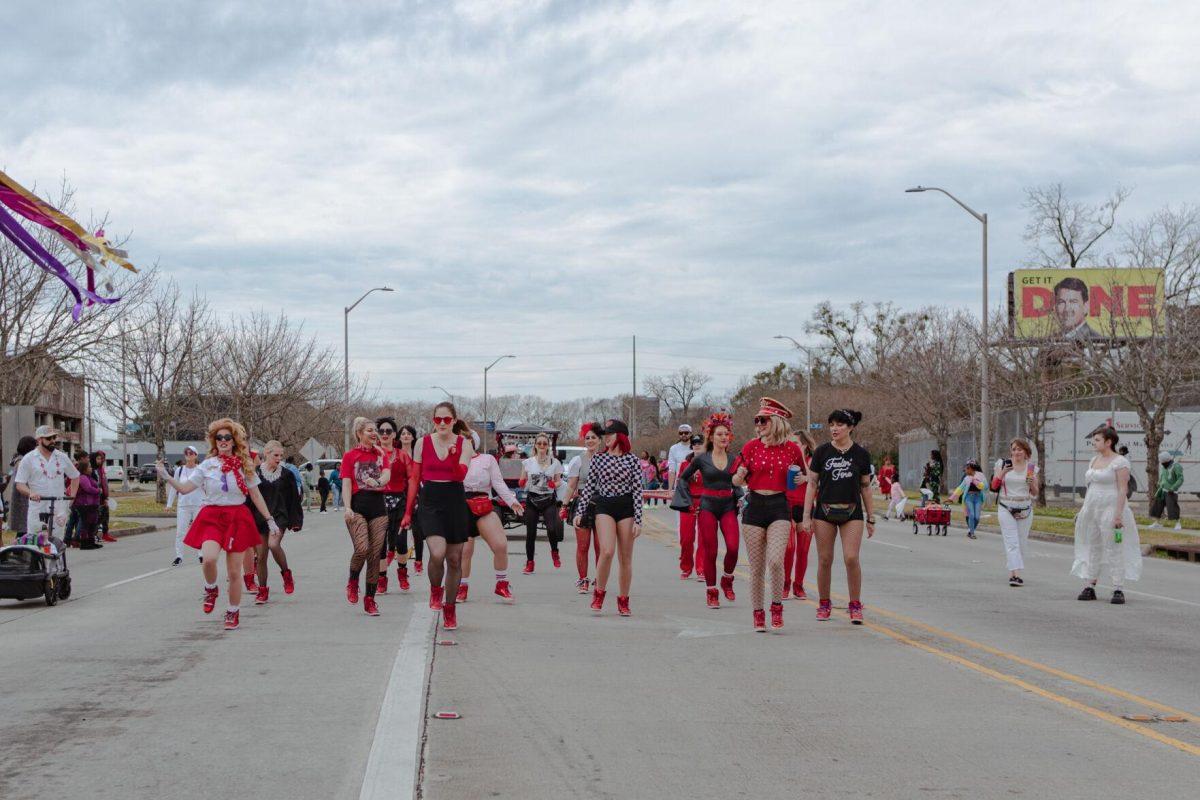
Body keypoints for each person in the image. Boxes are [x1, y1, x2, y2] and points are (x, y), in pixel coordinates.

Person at [156, 419, 279, 631]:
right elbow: (185, 489)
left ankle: (233, 611)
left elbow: (255, 494)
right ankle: (211, 588)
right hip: (212, 514)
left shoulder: (244, 465)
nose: (223, 441)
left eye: (227, 437)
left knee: (233, 573)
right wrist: (167, 477)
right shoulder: (207, 464)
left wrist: (270, 519)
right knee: (209, 559)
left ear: (234, 441)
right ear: (214, 441)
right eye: (219, 438)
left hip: (237, 516)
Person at [734, 399, 807, 631]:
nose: (759, 424)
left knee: (776, 561)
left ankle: (776, 606)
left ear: (776, 421)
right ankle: (758, 613)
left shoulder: (793, 449)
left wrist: (801, 480)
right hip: (754, 505)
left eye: (763, 420)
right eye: (757, 420)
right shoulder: (751, 447)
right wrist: (739, 475)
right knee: (756, 567)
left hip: (779, 506)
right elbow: (735, 479)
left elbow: (805, 477)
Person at [404, 402, 474, 631]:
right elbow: (414, 478)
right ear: (433, 421)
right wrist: (407, 511)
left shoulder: (465, 444)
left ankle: (450, 608)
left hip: (454, 499)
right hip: (430, 500)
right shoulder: (422, 443)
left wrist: (453, 456)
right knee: (437, 552)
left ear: (454, 420)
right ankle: (436, 589)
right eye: (437, 420)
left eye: (446, 419)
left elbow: (460, 474)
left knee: (454, 559)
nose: (442, 423)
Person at [802, 408, 874, 625]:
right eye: (832, 424)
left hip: (851, 511)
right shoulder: (822, 452)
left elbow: (866, 487)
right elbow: (812, 484)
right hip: (824, 511)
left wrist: (871, 517)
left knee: (851, 558)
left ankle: (855, 605)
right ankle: (824, 603)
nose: (834, 429)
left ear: (850, 427)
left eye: (840, 425)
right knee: (825, 559)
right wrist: (806, 516)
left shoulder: (861, 454)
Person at [574, 418, 642, 616]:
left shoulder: (632, 460)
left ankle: (623, 599)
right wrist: (580, 511)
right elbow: (589, 487)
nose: (606, 439)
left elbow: (638, 490)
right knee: (606, 551)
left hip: (626, 507)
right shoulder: (599, 458)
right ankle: (599, 592)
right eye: (605, 436)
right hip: (604, 505)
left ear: (620, 436)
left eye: (609, 435)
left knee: (625, 558)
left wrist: (638, 519)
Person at [1072, 426, 1142, 604]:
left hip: (1110, 507)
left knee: (1113, 547)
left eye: (1097, 440)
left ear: (1108, 442)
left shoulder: (1120, 462)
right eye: (1093, 440)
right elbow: (1090, 487)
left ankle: (1118, 588)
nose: (1093, 443)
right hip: (1092, 506)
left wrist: (1118, 515)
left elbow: (1122, 489)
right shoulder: (1094, 460)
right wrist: (1083, 511)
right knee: (1093, 545)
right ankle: (1090, 584)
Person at [682, 413, 743, 609]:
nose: (724, 437)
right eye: (719, 434)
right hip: (707, 505)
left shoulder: (734, 458)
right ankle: (712, 591)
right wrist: (687, 500)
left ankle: (727, 578)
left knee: (733, 547)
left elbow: (738, 482)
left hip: (727, 506)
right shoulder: (701, 459)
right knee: (711, 551)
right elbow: (683, 478)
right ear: (711, 436)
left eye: (727, 434)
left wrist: (741, 495)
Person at [460, 425, 524, 602]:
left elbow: (498, 483)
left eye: (467, 439)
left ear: (473, 441)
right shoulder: (453, 460)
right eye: (459, 439)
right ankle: (461, 587)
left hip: (483, 504)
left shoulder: (487, 459)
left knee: (500, 545)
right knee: (465, 551)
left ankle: (501, 584)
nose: (463, 442)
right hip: (461, 505)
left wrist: (512, 502)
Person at [340, 417, 394, 617]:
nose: (374, 433)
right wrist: (347, 507)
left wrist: (378, 481)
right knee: (362, 548)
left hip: (378, 507)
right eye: (370, 430)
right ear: (360, 433)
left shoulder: (380, 453)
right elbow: (346, 483)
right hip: (357, 506)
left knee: (374, 554)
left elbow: (387, 474)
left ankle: (370, 599)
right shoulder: (349, 455)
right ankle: (353, 581)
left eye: (375, 430)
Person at [250, 440, 302, 604]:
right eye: (275, 455)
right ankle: (263, 590)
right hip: (260, 518)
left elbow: (294, 499)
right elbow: (250, 497)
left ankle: (286, 573)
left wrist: (295, 521)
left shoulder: (287, 475)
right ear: (266, 453)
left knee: (273, 544)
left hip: (279, 516)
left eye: (281, 455)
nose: (279, 458)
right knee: (261, 556)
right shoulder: (255, 473)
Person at [13, 425, 80, 538]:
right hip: (38, 508)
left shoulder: (61, 457)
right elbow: (19, 484)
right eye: (49, 439)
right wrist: (31, 493)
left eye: (54, 437)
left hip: (58, 508)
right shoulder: (29, 458)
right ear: (39, 440)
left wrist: (72, 497)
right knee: (36, 542)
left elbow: (75, 476)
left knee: (57, 543)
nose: (53, 441)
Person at [374, 416, 414, 595]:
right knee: (380, 543)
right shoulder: (373, 455)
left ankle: (402, 572)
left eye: (388, 431)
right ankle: (382, 578)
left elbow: (412, 479)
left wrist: (411, 507)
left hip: (400, 500)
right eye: (381, 431)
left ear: (394, 434)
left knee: (401, 541)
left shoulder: (403, 455)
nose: (384, 434)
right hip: (378, 501)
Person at [564, 422, 604, 593]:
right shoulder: (577, 461)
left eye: (593, 438)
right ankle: (583, 580)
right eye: (587, 438)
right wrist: (564, 504)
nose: (590, 441)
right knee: (583, 546)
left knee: (600, 547)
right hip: (582, 504)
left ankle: (600, 579)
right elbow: (571, 485)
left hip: (602, 505)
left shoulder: (608, 459)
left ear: (600, 440)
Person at [519, 433, 564, 573]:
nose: (542, 446)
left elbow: (559, 481)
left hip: (548, 500)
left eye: (545, 443)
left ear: (548, 446)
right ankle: (530, 562)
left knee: (551, 528)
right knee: (530, 533)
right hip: (532, 499)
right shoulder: (528, 462)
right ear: (535, 446)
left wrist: (553, 484)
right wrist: (521, 482)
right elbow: (522, 480)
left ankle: (555, 552)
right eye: (539, 444)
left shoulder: (554, 462)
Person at [782, 429, 816, 600]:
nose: (791, 446)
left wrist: (801, 456)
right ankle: (785, 584)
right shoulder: (785, 459)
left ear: (803, 445)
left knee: (803, 550)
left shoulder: (812, 460)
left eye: (795, 443)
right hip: (786, 506)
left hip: (806, 509)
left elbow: (816, 479)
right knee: (789, 548)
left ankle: (799, 586)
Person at [165, 445, 204, 566]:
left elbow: (207, 487)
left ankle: (201, 554)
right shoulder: (179, 470)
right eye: (186, 452)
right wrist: (169, 504)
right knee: (180, 532)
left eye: (191, 452)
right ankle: (179, 556)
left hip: (199, 504)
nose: (189, 454)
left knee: (200, 531)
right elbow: (174, 487)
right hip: (183, 505)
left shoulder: (200, 469)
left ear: (196, 455)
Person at [676, 434, 706, 582]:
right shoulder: (684, 464)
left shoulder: (710, 461)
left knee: (704, 538)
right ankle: (686, 567)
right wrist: (687, 502)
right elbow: (681, 484)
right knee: (686, 538)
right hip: (688, 502)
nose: (697, 445)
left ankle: (702, 569)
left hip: (706, 502)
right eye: (694, 443)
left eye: (700, 442)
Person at [396, 424, 419, 586]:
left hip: (417, 496)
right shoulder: (394, 454)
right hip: (398, 497)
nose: (405, 436)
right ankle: (402, 571)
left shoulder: (418, 454)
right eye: (402, 433)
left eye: (408, 433)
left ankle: (416, 563)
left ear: (413, 437)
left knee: (419, 532)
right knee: (400, 538)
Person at [5, 436, 37, 539]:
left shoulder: (20, 460)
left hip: (24, 497)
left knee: (24, 530)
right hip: (23, 498)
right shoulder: (21, 462)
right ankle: (18, 552)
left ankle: (19, 551)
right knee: (23, 529)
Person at [70, 454, 103, 549]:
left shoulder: (89, 477)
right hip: (84, 504)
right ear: (84, 469)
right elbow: (88, 489)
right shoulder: (82, 478)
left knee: (92, 523)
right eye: (89, 467)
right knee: (86, 523)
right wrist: (98, 491)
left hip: (92, 504)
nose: (91, 468)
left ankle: (91, 541)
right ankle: (84, 543)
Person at [950, 460, 987, 540]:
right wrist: (951, 498)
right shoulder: (966, 478)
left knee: (977, 517)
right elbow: (960, 488)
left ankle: (970, 531)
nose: (965, 470)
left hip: (978, 498)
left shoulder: (981, 475)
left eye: (966, 469)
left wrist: (976, 482)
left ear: (971, 468)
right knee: (972, 515)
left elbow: (985, 487)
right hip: (968, 498)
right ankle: (972, 533)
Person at [1054, 276, 1098, 340]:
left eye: (1073, 302)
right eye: (1061, 302)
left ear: (1085, 306)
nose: (1067, 309)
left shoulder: (1096, 340)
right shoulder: (1052, 339)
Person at [1148, 451, 1183, 531]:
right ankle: (1156, 523)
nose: (1162, 464)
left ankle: (1178, 524)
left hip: (1171, 491)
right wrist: (1159, 483)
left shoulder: (1176, 466)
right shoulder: (1164, 467)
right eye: (1161, 462)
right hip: (1162, 490)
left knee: (1172, 507)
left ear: (1168, 460)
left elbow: (1180, 479)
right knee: (1157, 506)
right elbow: (1162, 476)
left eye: (1163, 462)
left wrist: (1173, 488)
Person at [91, 450, 115, 543]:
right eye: (99, 458)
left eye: (102, 458)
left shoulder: (101, 469)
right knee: (98, 517)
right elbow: (96, 484)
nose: (101, 460)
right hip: (96, 497)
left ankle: (105, 533)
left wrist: (105, 496)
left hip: (103, 496)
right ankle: (93, 534)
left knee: (105, 516)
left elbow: (104, 483)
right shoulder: (93, 470)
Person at [666, 423, 693, 489]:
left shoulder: (696, 447)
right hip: (679, 486)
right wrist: (670, 489)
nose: (683, 435)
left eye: (686, 433)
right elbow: (672, 470)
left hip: (695, 485)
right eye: (681, 433)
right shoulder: (673, 448)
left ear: (691, 434)